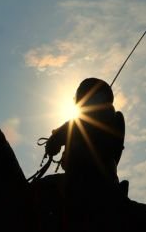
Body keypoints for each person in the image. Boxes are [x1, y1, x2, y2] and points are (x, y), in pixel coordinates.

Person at [44, 78, 126, 206]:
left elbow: (52, 147)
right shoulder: (116, 119)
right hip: (110, 181)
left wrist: (54, 140)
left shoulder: (76, 122)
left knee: (41, 189)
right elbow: (117, 153)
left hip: (77, 182)